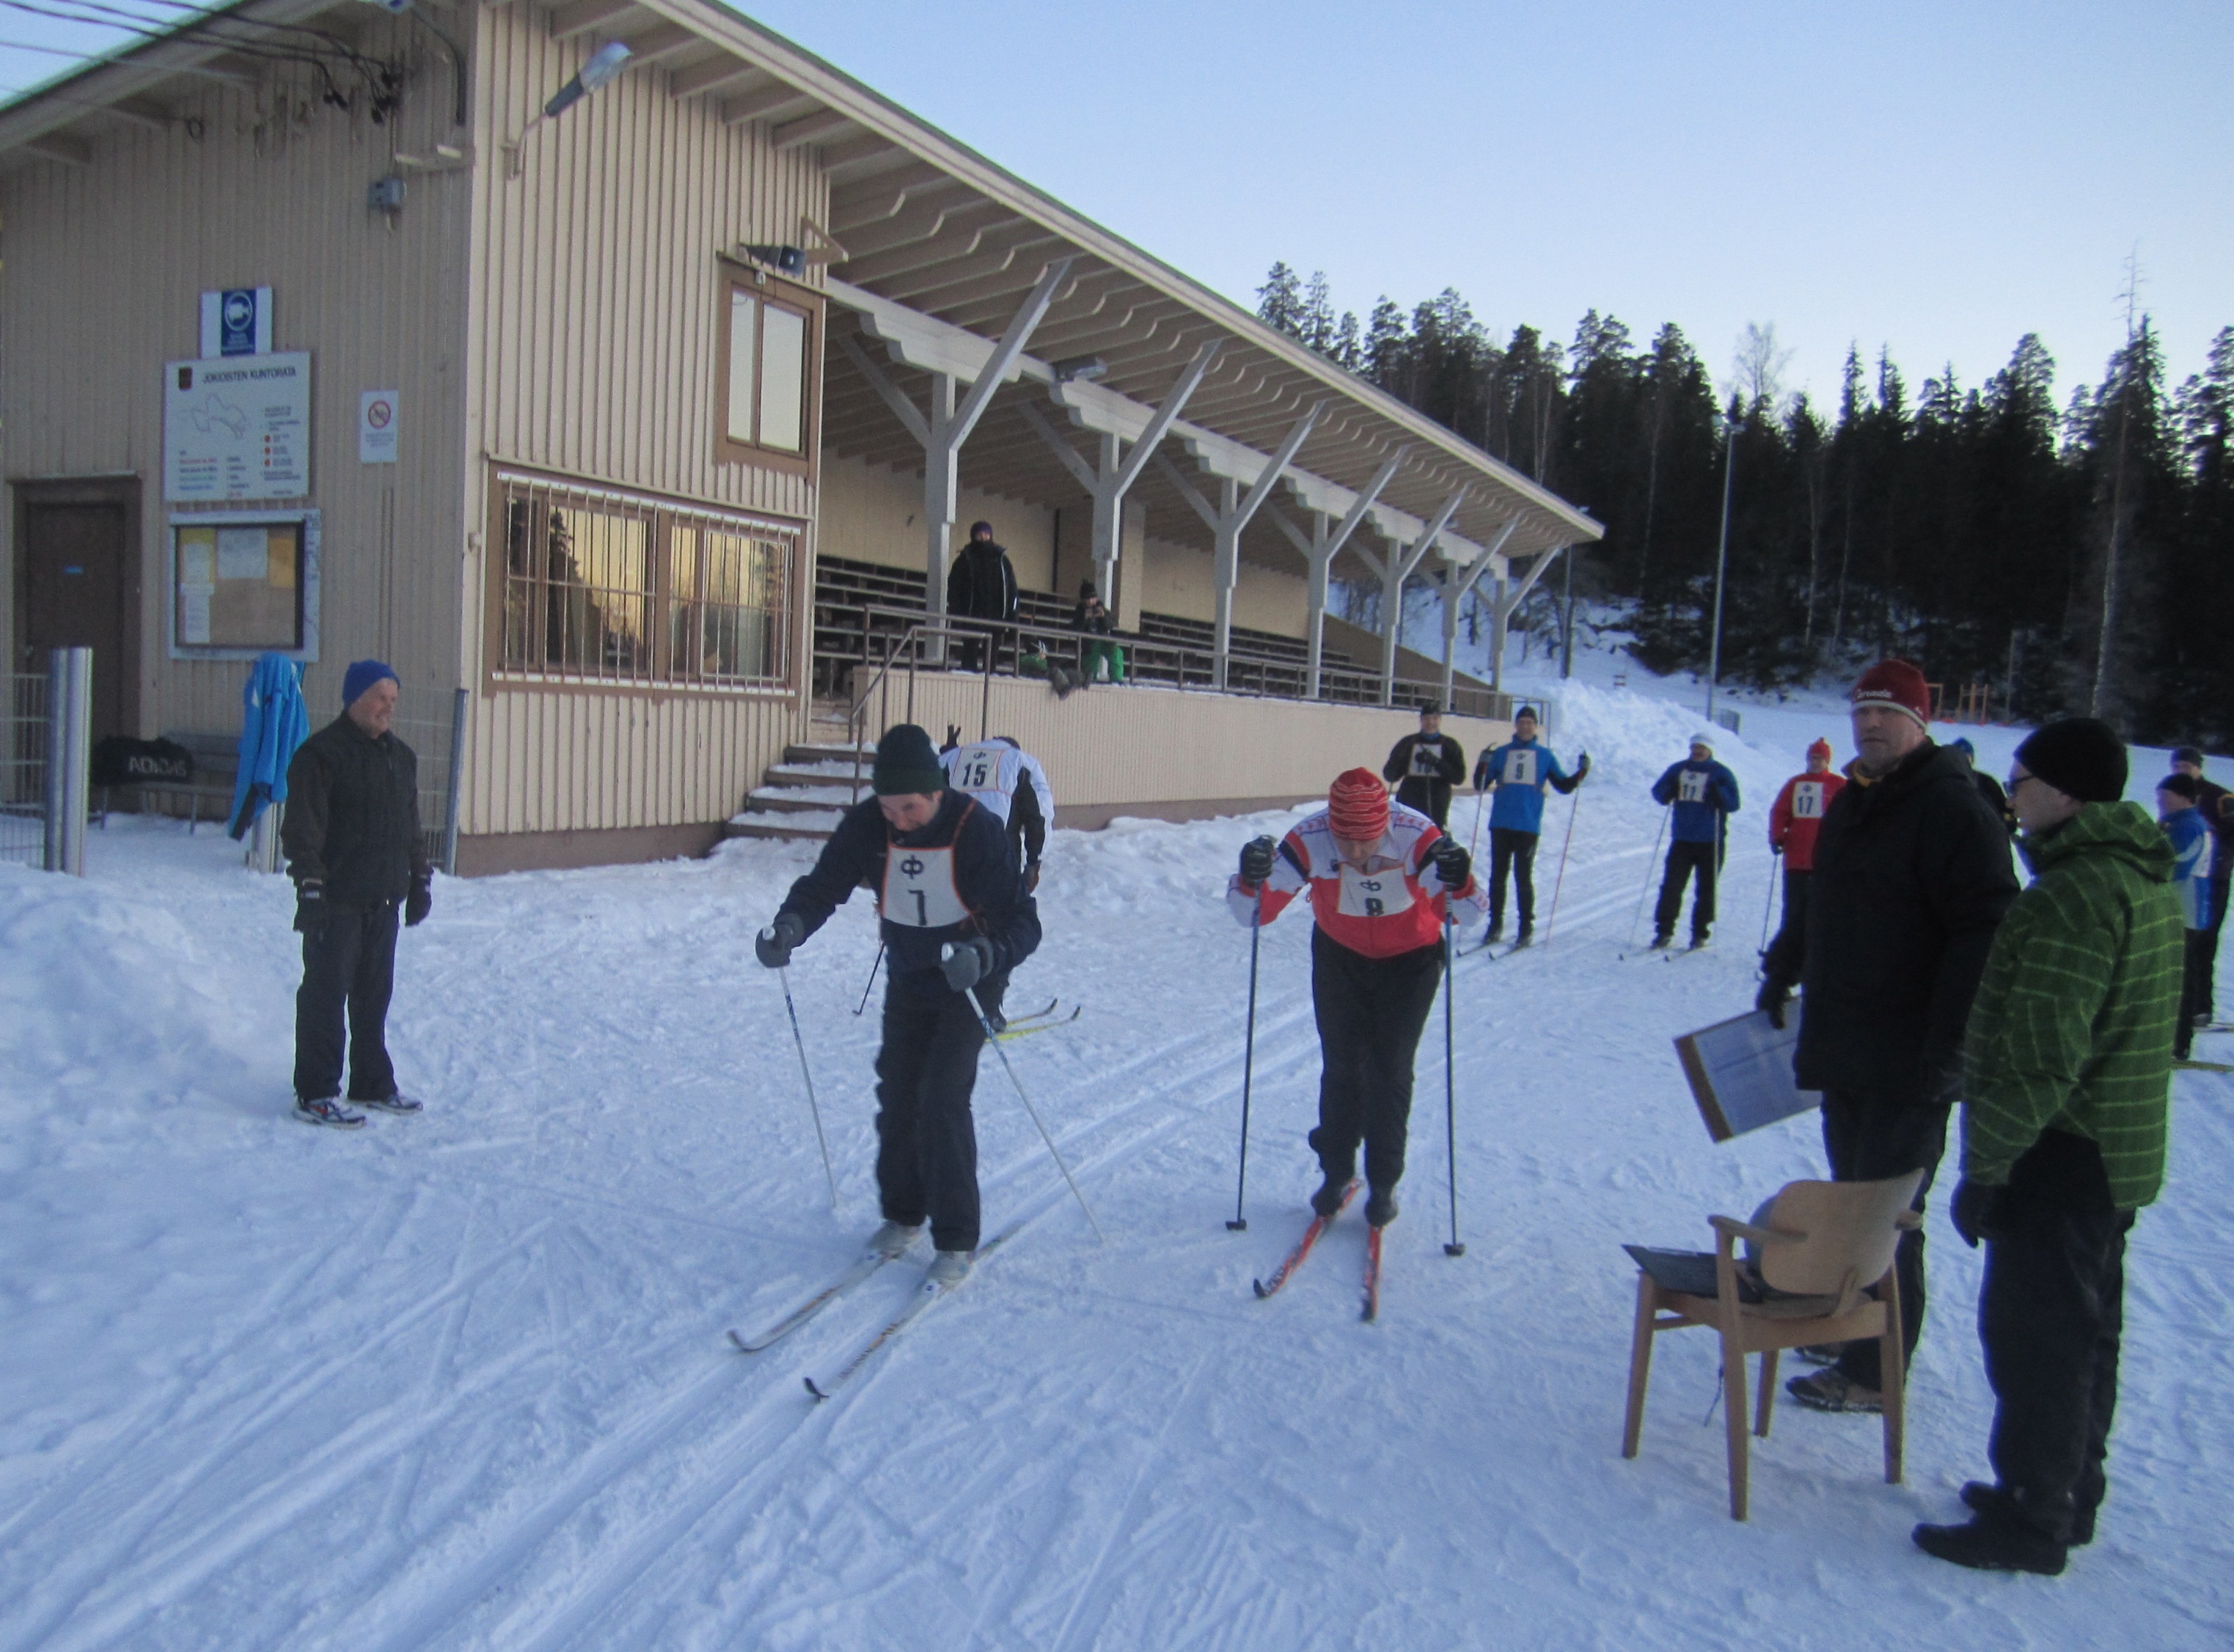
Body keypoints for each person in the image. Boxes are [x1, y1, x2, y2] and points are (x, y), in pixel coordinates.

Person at [1913, 717, 2179, 1574]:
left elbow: (2039, 1057)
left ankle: (2033, 1518)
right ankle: (2063, 1494)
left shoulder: (2072, 895)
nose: (2012, 797)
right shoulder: (2137, 875)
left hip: (2059, 1152)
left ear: (2064, 794)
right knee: (2085, 1332)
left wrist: (1988, 1171)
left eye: (2021, 781)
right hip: (2112, 1151)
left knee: (2037, 1341)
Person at [1784, 659, 2018, 1413]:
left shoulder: (1953, 807)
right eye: (1862, 712)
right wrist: (1786, 957)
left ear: (1920, 722)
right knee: (1850, 1199)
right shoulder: (1856, 799)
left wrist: (1947, 1038)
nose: (1871, 725)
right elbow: (1824, 897)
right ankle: (1846, 1323)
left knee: (1887, 1216)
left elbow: (1985, 926)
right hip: (1847, 1043)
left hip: (1912, 1055)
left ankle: (1873, 1373)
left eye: (1887, 713)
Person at [757, 724, 1041, 1283]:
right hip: (910, 974)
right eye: (889, 808)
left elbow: (1024, 923)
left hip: (971, 977)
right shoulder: (869, 824)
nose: (899, 820)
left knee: (942, 1098)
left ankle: (955, 1239)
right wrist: (790, 925)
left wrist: (987, 954)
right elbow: (824, 885)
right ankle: (903, 1214)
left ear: (937, 791)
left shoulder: (975, 829)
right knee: (897, 1093)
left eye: (910, 807)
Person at [1228, 768, 1485, 1227]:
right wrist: (1251, 877)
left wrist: (1460, 879)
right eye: (1345, 842)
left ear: (1385, 825)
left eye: (1366, 842)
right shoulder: (1310, 838)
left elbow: (1465, 914)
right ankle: (1336, 1172)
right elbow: (1252, 914)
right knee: (1341, 1065)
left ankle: (1383, 1180)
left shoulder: (1417, 837)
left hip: (1411, 963)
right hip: (1340, 957)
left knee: (1391, 1067)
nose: (1356, 852)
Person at [280, 659, 432, 1129]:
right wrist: (310, 888)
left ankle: (372, 1082)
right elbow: (302, 831)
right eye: (379, 697)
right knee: (325, 998)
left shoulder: (400, 758)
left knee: (373, 998)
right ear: (354, 698)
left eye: (393, 699)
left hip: (383, 900)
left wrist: (419, 880)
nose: (388, 707)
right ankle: (316, 1092)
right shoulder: (321, 756)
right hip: (336, 901)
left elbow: (410, 827)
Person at [1469, 705, 1588, 947]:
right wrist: (1483, 762)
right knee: (1498, 876)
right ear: (1516, 725)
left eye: (1529, 723)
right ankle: (1495, 925)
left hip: (1528, 824)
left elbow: (1563, 786)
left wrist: (1581, 772)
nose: (1525, 727)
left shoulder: (1545, 756)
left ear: (1535, 727)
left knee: (1523, 877)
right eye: (1521, 722)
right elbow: (1481, 783)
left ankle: (1526, 927)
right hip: (1501, 822)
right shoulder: (1502, 753)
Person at [1757, 738, 1846, 1024]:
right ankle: (1790, 957)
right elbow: (1780, 811)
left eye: (1820, 758)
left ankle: (1814, 959)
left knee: (1821, 914)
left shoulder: (1838, 785)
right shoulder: (1795, 784)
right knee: (1794, 911)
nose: (1815, 762)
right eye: (1812, 758)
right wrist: (1777, 835)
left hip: (1825, 863)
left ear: (1827, 760)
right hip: (1796, 858)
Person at [1647, 734, 1740, 949]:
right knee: (1672, 886)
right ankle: (1664, 930)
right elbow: (1658, 791)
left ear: (1710, 750)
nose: (1697, 751)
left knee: (1706, 889)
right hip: (1683, 838)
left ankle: (1700, 932)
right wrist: (1669, 791)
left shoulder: (1721, 773)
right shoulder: (1679, 769)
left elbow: (1734, 803)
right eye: (1694, 747)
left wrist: (1719, 794)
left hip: (1711, 840)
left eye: (1701, 748)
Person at [940, 733, 1055, 892]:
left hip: (957, 849)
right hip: (1001, 849)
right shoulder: (1019, 760)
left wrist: (948, 753)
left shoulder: (953, 756)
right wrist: (1034, 861)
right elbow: (1039, 813)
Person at [2171, 746, 2232, 1023]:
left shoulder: (2220, 796)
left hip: (2214, 879)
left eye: (2187, 766)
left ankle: (2200, 1007)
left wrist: (2220, 856)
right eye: (2177, 766)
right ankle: (2183, 1004)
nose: (2182, 771)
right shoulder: (2173, 794)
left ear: (2199, 767)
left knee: (2203, 942)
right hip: (2185, 881)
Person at [2156, 773, 2213, 1062]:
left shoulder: (2188, 825)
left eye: (2165, 798)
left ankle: (2179, 1042)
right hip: (2180, 910)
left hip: (2184, 912)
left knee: (2179, 977)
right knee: (2178, 974)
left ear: (2181, 797)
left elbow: (2170, 865)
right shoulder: (2178, 823)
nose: (2160, 803)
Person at [945, 521, 1017, 672]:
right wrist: (957, 614)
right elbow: (954, 589)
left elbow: (1012, 591)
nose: (983, 538)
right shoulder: (964, 560)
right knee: (969, 654)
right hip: (972, 616)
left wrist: (1012, 616)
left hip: (996, 617)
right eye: (980, 535)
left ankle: (989, 681)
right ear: (973, 536)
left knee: (991, 658)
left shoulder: (1002, 561)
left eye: (986, 534)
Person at [1382, 704, 1467, 829]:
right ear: (1421, 720)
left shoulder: (1450, 745)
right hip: (1410, 799)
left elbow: (1459, 778)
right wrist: (1399, 760)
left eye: (1434, 718)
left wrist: (1437, 763)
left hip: (1437, 801)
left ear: (1440, 720)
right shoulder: (1408, 743)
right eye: (1426, 719)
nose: (1430, 723)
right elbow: (1390, 775)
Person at [1951, 736, 2013, 831]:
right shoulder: (1941, 783)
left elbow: (2007, 813)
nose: (1962, 762)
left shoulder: (1987, 783)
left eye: (1966, 757)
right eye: (1959, 757)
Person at [1071, 581, 1126, 686]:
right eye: (1088, 599)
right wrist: (1084, 619)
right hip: (1088, 644)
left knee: (1116, 652)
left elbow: (1110, 625)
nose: (1092, 601)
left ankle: (1116, 679)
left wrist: (1103, 616)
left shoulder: (1101, 607)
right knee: (1090, 664)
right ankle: (1091, 680)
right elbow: (1075, 628)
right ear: (1083, 600)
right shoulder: (1079, 611)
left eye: (1093, 598)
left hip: (1104, 640)